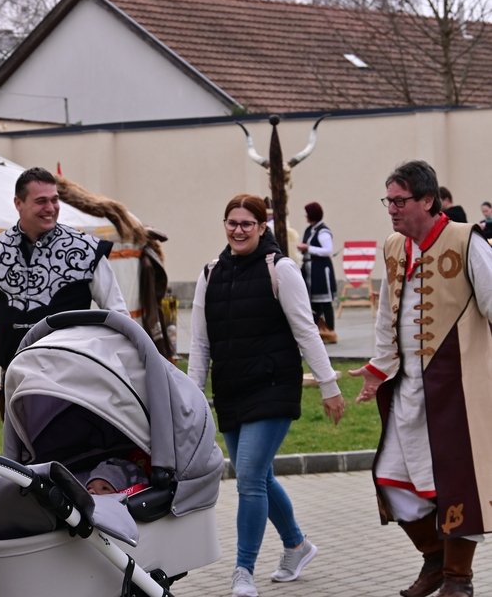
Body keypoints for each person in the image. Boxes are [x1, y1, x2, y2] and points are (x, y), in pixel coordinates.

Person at [187, 194, 345, 597]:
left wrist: (329, 386)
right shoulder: (211, 273)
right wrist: (191, 396)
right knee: (254, 474)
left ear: (262, 227)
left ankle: (244, 571)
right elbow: (200, 343)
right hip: (231, 389)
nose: (238, 230)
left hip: (274, 386)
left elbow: (306, 331)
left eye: (247, 223)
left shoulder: (282, 269)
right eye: (232, 222)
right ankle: (297, 544)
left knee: (251, 479)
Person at [350, 160, 492, 597]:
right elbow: (385, 313)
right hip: (409, 386)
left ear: (427, 201)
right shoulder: (394, 247)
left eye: (400, 200)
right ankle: (435, 560)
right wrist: (378, 367)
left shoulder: (467, 240)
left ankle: (458, 580)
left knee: (457, 481)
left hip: (459, 388)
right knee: (392, 479)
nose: (391, 209)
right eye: (388, 200)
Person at [0, 166, 129, 406]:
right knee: (17, 444)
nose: (51, 208)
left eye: (54, 200)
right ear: (18, 203)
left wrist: (124, 362)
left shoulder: (85, 251)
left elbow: (116, 311)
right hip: (16, 377)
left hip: (74, 379)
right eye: (41, 201)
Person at [296, 201, 338, 344]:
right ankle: (317, 332)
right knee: (311, 303)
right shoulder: (310, 229)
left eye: (307, 213)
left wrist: (308, 248)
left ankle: (330, 331)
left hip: (320, 269)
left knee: (325, 302)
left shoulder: (323, 231)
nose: (305, 216)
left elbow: (327, 250)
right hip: (309, 269)